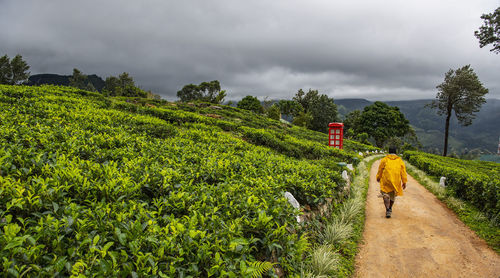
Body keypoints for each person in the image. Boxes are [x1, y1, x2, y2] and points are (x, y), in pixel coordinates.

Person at [376, 147, 407, 218]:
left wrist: (378, 177)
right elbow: (403, 172)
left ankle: (387, 209)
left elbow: (380, 169)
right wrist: (404, 182)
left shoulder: (384, 160)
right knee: (392, 196)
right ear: (396, 153)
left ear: (388, 152)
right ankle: (390, 208)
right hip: (395, 181)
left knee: (385, 194)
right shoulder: (400, 161)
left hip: (386, 181)